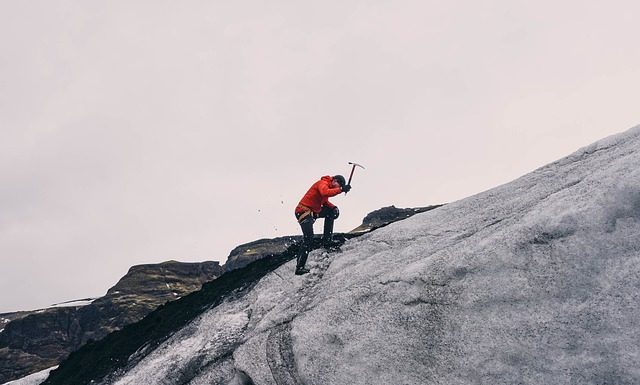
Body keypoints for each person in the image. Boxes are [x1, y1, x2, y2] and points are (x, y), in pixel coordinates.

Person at [294, 175, 351, 275]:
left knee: (331, 212)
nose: (337, 188)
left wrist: (334, 208)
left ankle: (327, 241)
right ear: (334, 180)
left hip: (312, 212)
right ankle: (299, 267)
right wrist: (341, 189)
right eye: (338, 185)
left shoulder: (327, 186)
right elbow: (325, 192)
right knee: (308, 239)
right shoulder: (323, 183)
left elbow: (325, 201)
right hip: (303, 211)